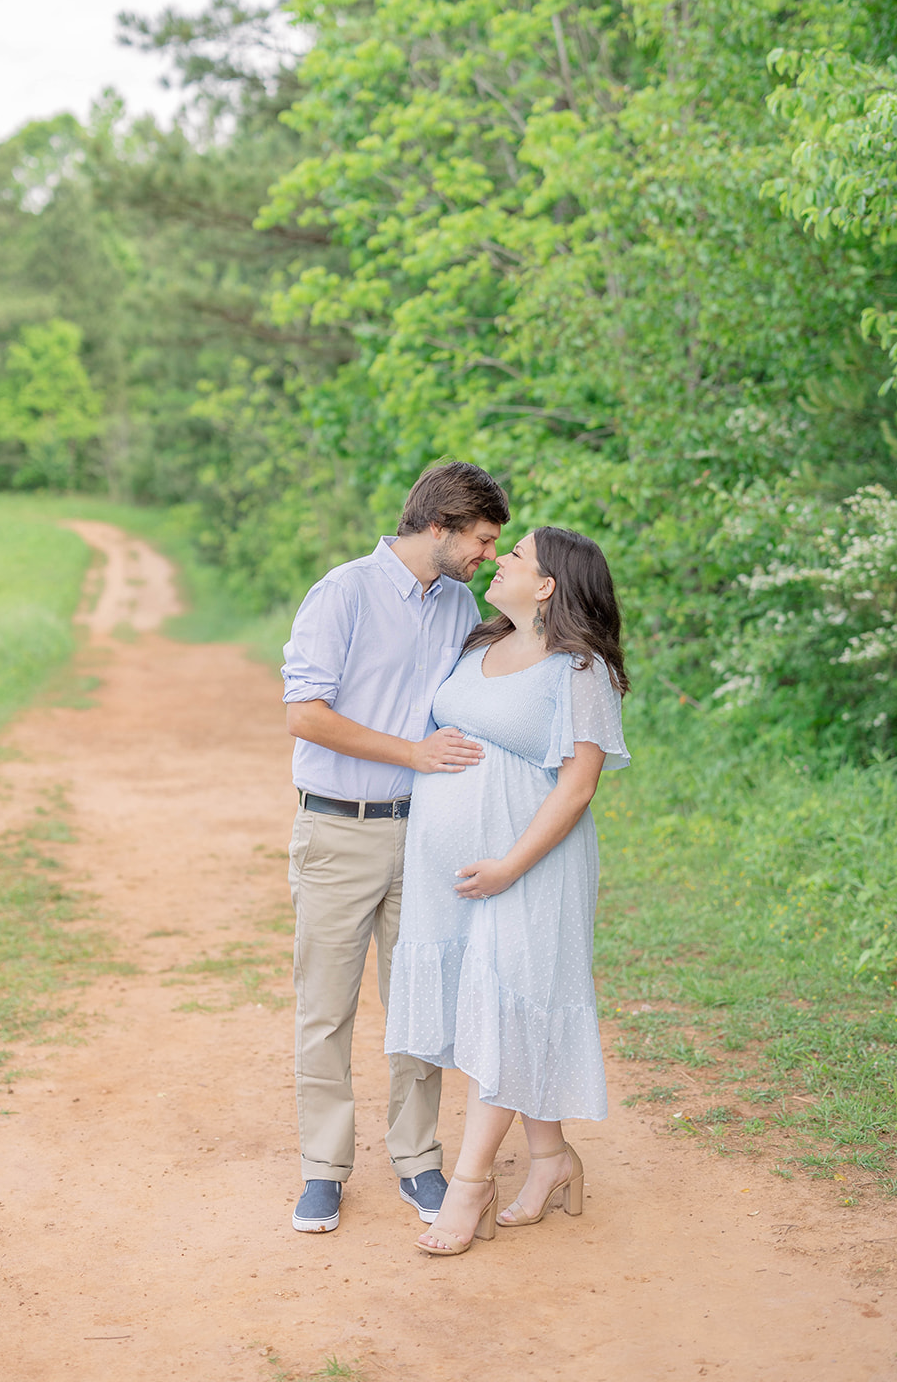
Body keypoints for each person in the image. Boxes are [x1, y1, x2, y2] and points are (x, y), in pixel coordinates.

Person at [384, 526, 630, 1255]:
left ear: (548, 583)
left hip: (531, 867)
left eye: (514, 556)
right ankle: (552, 1160)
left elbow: (578, 785)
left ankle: (469, 1185)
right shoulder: (474, 644)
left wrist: (508, 867)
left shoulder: (576, 670)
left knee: (502, 1007)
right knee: (496, 1007)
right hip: (455, 876)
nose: (497, 561)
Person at [282, 462, 510, 1234]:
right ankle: (323, 1170)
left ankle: (418, 1161)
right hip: (337, 829)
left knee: (421, 1003)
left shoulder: (457, 606)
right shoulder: (342, 592)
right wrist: (409, 753)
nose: (485, 558)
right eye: (480, 541)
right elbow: (305, 715)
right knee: (326, 1008)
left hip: (425, 836)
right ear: (441, 526)